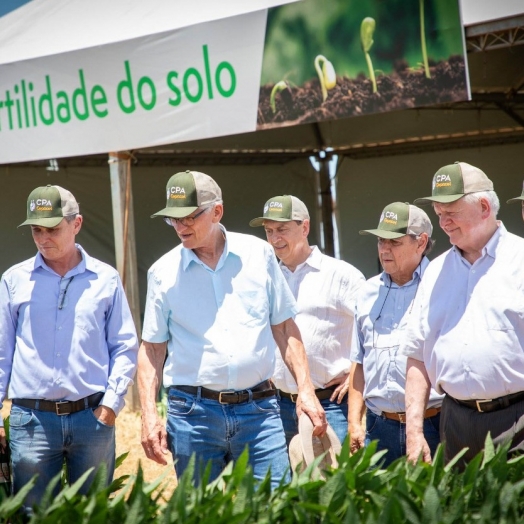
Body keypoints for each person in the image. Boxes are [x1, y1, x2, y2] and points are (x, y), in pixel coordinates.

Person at [138, 171, 326, 487]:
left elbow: (284, 327)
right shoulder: (162, 273)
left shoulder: (259, 254)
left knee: (273, 507)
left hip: (259, 410)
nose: (181, 227)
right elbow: (152, 350)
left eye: (189, 217)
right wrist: (148, 415)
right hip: (192, 416)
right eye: (173, 220)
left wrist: (306, 390)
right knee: (203, 514)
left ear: (217, 212)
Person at [0, 185, 139, 510]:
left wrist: (110, 406)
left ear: (76, 224)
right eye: (36, 229)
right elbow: (1, 352)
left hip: (92, 418)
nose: (43, 238)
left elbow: (124, 345)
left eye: (53, 229)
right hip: (30, 421)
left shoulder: (105, 278)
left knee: (93, 513)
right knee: (33, 514)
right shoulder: (14, 280)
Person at [403, 161, 524, 465]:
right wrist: (414, 432)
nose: (443, 223)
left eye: (451, 212)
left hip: (518, 421)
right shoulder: (434, 272)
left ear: (484, 206)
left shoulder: (519, 260)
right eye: (439, 213)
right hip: (455, 423)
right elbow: (417, 356)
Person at [249, 194, 364, 446]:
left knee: (332, 483)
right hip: (277, 406)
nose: (274, 238)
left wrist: (355, 377)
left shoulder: (341, 275)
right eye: (269, 231)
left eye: (282, 229)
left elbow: (374, 332)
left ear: (305, 227)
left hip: (330, 406)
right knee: (285, 484)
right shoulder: (263, 279)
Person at [348, 202, 443, 467]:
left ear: (421, 243)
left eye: (395, 242)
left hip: (434, 423)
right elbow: (359, 362)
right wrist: (355, 422)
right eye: (380, 241)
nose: (384, 249)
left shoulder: (442, 284)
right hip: (379, 428)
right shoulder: (367, 292)